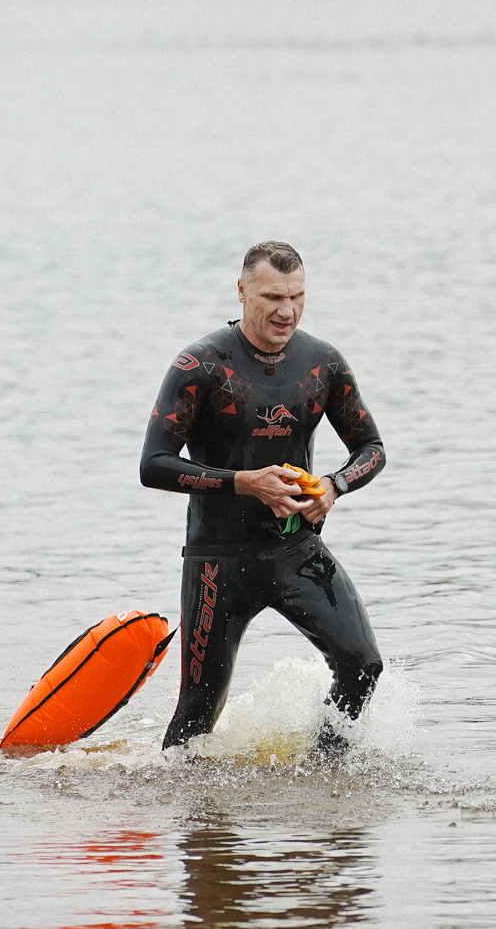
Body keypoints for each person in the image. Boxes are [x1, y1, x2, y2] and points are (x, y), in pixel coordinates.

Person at [140, 242, 387, 754]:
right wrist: (244, 482)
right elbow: (154, 465)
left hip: (296, 550)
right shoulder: (200, 366)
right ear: (242, 291)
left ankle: (323, 777)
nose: (287, 310)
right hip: (218, 561)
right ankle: (193, 823)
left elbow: (371, 448)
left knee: (362, 666)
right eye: (273, 296)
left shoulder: (323, 363)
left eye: (298, 296)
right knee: (198, 712)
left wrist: (334, 486)